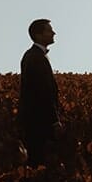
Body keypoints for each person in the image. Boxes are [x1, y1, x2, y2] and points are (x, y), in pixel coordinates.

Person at [19, 19, 64, 167]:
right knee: (39, 163)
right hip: (39, 123)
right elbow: (43, 92)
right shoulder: (36, 57)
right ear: (38, 35)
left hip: (37, 122)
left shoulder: (34, 56)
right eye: (49, 30)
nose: (53, 33)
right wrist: (54, 120)